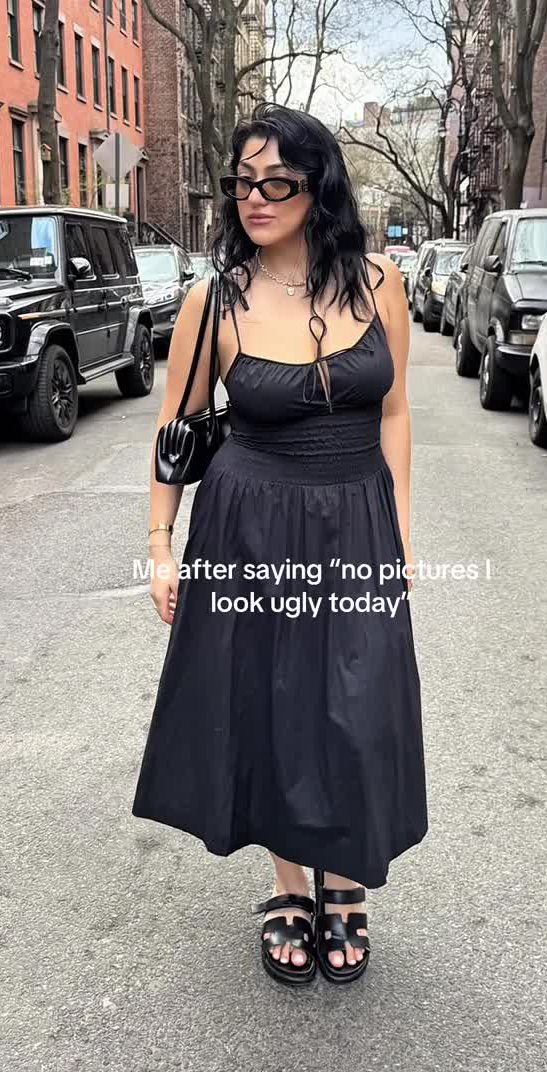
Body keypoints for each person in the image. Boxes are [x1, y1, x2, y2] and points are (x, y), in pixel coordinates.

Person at [133, 103, 428, 986]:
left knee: (357, 705)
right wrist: (160, 541)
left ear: (318, 187)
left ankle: (347, 875)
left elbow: (396, 412)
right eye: (242, 183)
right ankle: (291, 883)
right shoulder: (213, 299)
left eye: (277, 182)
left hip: (357, 518)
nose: (254, 198)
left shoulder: (378, 284)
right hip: (249, 526)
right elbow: (174, 430)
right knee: (270, 702)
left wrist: (402, 531)